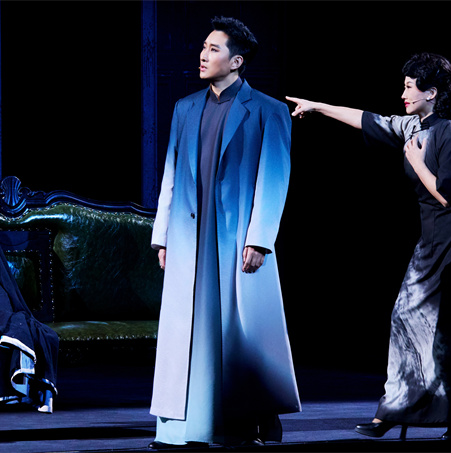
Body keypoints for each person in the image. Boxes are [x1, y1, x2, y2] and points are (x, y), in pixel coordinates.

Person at [286, 52, 451, 441]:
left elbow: (448, 195)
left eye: (410, 87)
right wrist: (318, 107)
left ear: (432, 92)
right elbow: (368, 119)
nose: (403, 94)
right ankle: (398, 409)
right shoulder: (413, 126)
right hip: (432, 234)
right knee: (409, 319)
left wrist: (417, 161)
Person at [148, 16, 300, 449]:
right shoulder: (185, 107)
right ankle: (179, 430)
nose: (203, 54)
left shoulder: (267, 111)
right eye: (203, 47)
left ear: (236, 61)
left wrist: (259, 238)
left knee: (237, 333)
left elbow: (274, 178)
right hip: (189, 237)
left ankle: (239, 426)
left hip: (235, 239)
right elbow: (172, 174)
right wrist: (162, 234)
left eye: (213, 49)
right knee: (186, 332)